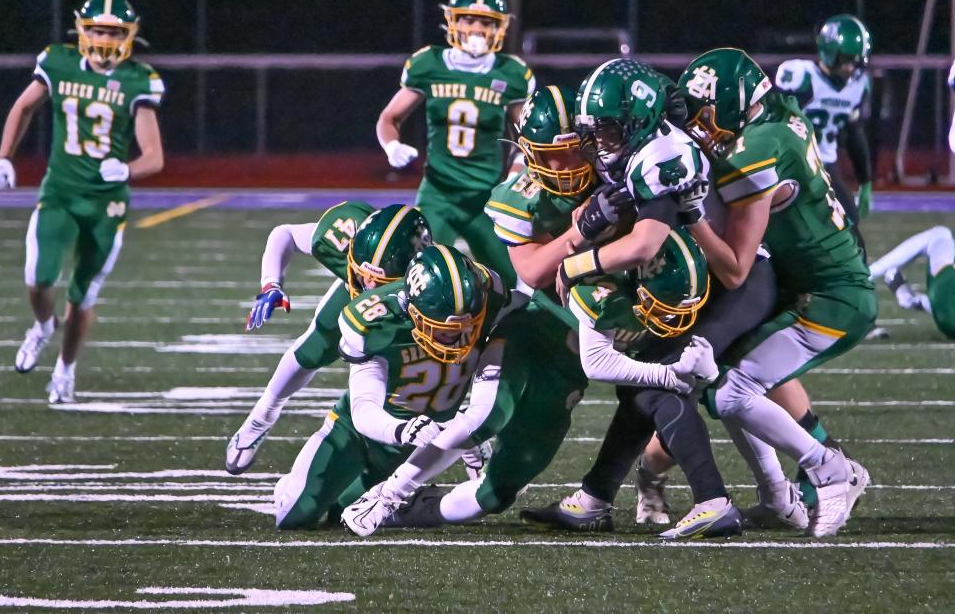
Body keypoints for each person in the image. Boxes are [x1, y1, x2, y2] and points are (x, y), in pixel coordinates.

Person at [339, 231, 721, 538]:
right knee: (484, 418)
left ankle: (410, 513)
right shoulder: (602, 288)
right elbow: (599, 361)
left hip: (564, 380)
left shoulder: (670, 297)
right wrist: (673, 374)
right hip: (529, 339)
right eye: (664, 306)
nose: (673, 317)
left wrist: (705, 371)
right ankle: (389, 494)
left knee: (496, 494)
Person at [521, 60, 762, 538]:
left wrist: (577, 262)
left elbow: (644, 245)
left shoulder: (661, 155)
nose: (599, 142)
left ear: (639, 121)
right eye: (595, 130)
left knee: (656, 386)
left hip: (712, 279)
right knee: (643, 389)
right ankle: (596, 497)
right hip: (683, 272)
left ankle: (715, 499)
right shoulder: (643, 148)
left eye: (609, 130)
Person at [676, 47, 875, 536]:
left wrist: (692, 213)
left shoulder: (757, 148)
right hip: (817, 281)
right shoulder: (782, 116)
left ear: (734, 102)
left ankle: (829, 469)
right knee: (724, 379)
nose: (702, 125)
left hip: (832, 298)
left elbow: (736, 269)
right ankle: (777, 494)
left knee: (729, 391)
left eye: (706, 112)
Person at [0, 0, 165, 403]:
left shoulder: (138, 79)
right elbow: (24, 108)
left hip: (105, 205)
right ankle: (41, 327)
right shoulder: (58, 60)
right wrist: (3, 157)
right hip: (60, 192)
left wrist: (126, 170)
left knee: (81, 295)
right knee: (38, 279)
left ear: (129, 35)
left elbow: (154, 157)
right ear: (81, 31)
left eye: (113, 31)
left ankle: (65, 370)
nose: (105, 38)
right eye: (97, 29)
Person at [274, 245, 510, 529]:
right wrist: (401, 430)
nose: (459, 339)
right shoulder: (374, 323)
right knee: (292, 518)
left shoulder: (492, 297)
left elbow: (520, 315)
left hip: (418, 444)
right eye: (445, 331)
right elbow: (363, 409)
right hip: (358, 435)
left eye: (468, 327)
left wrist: (469, 429)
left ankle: (407, 506)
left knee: (343, 514)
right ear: (414, 313)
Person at [225, 203, 432, 474]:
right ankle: (261, 418)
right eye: (363, 275)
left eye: (379, 282)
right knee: (318, 344)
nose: (368, 286)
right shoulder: (348, 237)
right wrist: (271, 284)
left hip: (406, 313)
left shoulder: (430, 284)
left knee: (416, 377)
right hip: (354, 301)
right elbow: (284, 234)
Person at [376, 0, 535, 288]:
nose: (477, 28)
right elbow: (390, 117)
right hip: (438, 194)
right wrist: (391, 145)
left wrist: (516, 172)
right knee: (410, 277)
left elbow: (528, 137)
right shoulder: (429, 64)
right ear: (453, 20)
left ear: (499, 27)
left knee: (521, 282)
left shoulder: (511, 73)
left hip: (487, 199)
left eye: (486, 21)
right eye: (469, 19)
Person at [775, 14, 873, 223]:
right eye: (846, 60)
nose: (850, 68)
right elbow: (772, 122)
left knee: (851, 230)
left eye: (855, 62)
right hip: (788, 163)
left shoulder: (858, 86)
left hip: (825, 165)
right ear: (829, 52)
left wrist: (865, 180)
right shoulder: (801, 76)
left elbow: (855, 133)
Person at [869, 225, 955, 339]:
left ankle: (867, 274)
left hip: (945, 303)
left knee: (939, 234)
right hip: (948, 324)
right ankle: (911, 300)